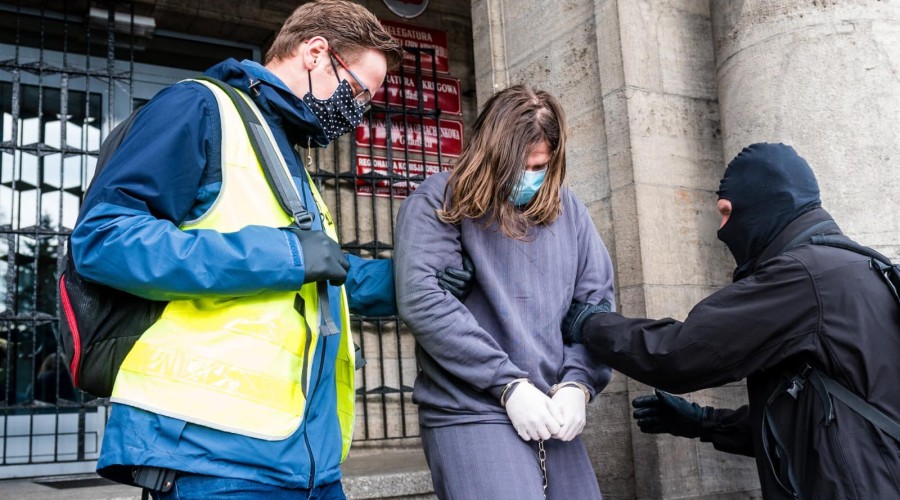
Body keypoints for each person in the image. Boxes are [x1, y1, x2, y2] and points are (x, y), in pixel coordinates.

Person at [69, 1, 469, 498]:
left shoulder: (282, 150)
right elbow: (105, 241)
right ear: (316, 53)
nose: (358, 112)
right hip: (212, 453)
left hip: (304, 459)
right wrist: (287, 257)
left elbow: (324, 276)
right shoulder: (198, 107)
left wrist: (415, 284)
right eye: (359, 93)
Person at [561, 142, 900, 499]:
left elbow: (680, 353)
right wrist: (704, 423)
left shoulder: (804, 278)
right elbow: (815, 422)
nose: (722, 228)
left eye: (726, 212)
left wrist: (590, 323)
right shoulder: (862, 268)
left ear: (761, 205)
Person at [395, 85, 615, 500]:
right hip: (470, 408)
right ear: (490, 152)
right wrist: (508, 383)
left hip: (551, 407)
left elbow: (595, 305)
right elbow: (424, 301)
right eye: (520, 166)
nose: (529, 177)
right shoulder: (439, 201)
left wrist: (578, 384)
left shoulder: (572, 212)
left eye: (541, 166)